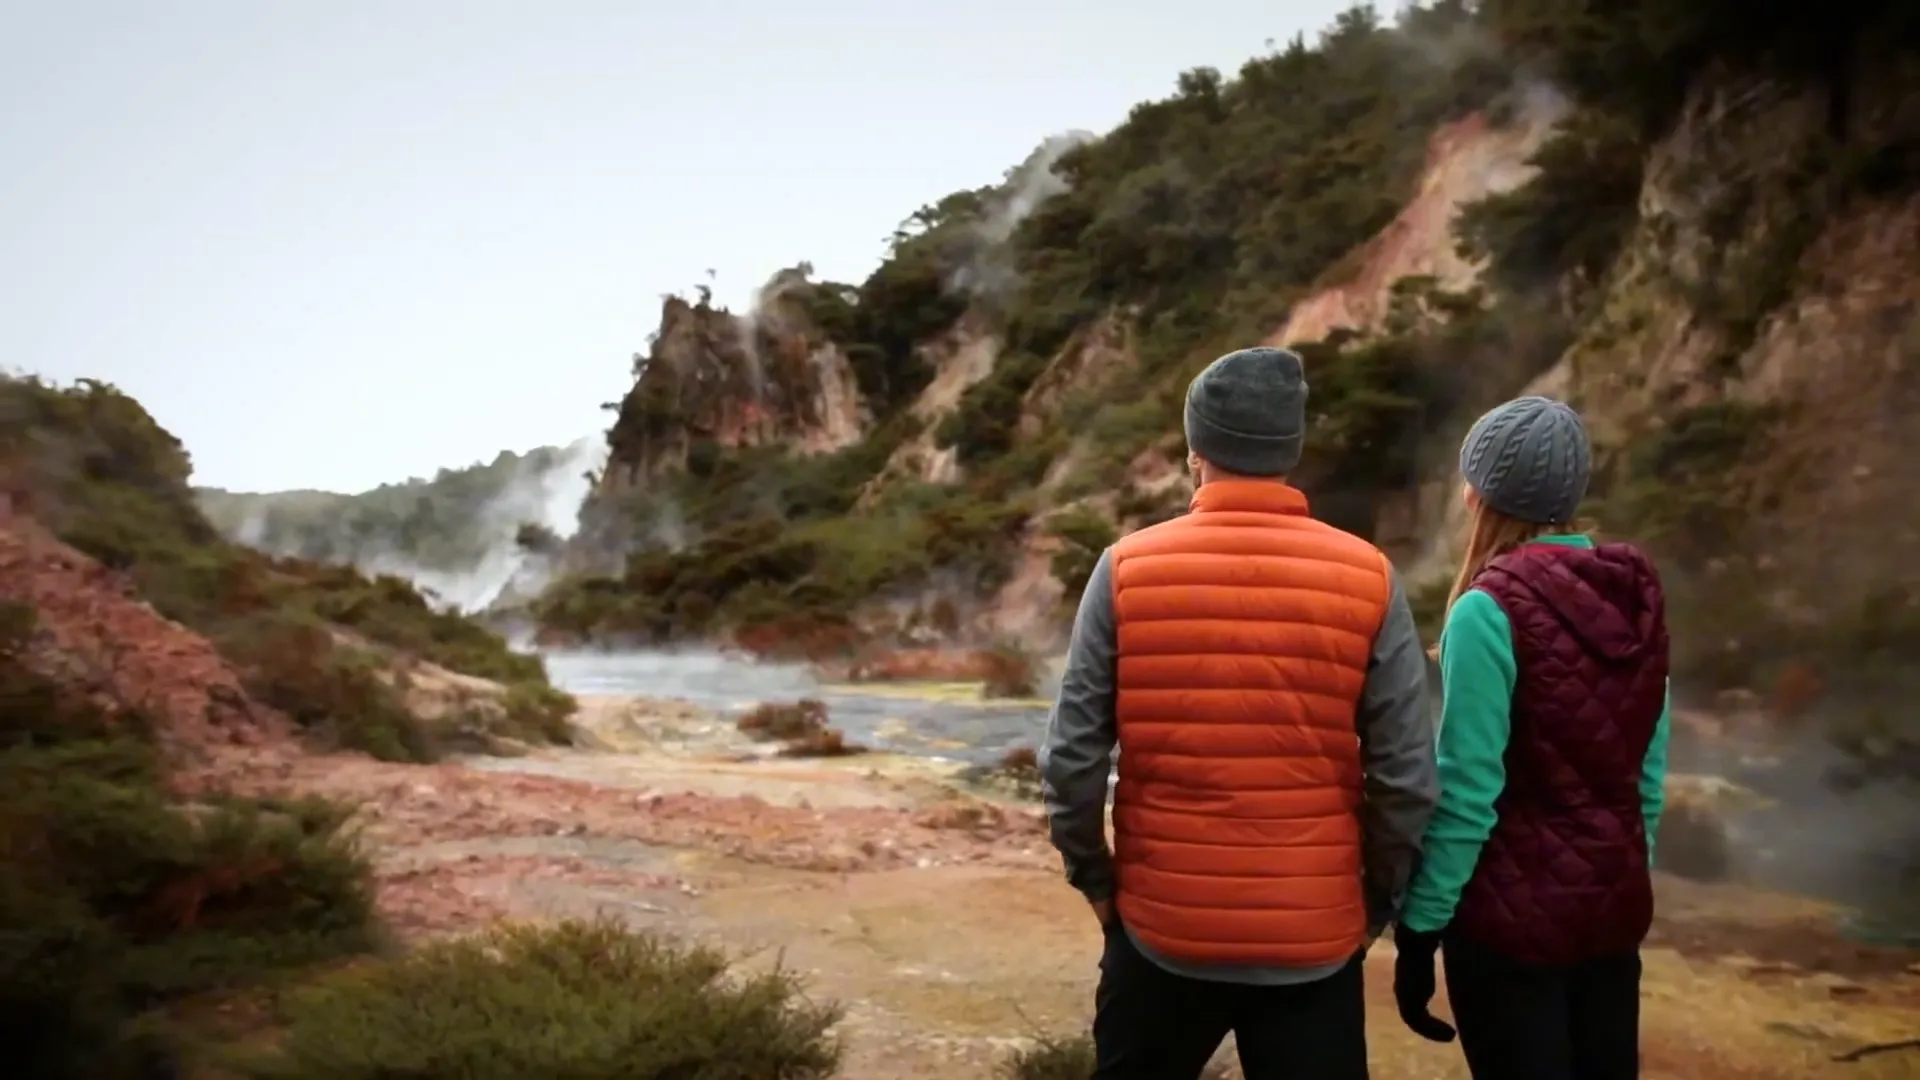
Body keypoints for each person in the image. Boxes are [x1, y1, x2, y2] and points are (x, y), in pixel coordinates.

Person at [1039, 346, 1440, 1080]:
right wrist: (1373, 903)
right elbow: (1408, 777)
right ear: (1291, 451)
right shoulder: (1370, 577)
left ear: (1197, 451)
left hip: (1162, 929)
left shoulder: (1125, 569)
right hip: (1313, 939)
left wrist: (1096, 883)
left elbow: (1071, 761)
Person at [1390, 396, 1673, 1080]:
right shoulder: (1634, 596)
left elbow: (1467, 793)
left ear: (1480, 493)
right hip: (1611, 917)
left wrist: (1421, 928)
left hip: (1507, 932)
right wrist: (1614, 876)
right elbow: (1649, 780)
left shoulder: (1486, 611)